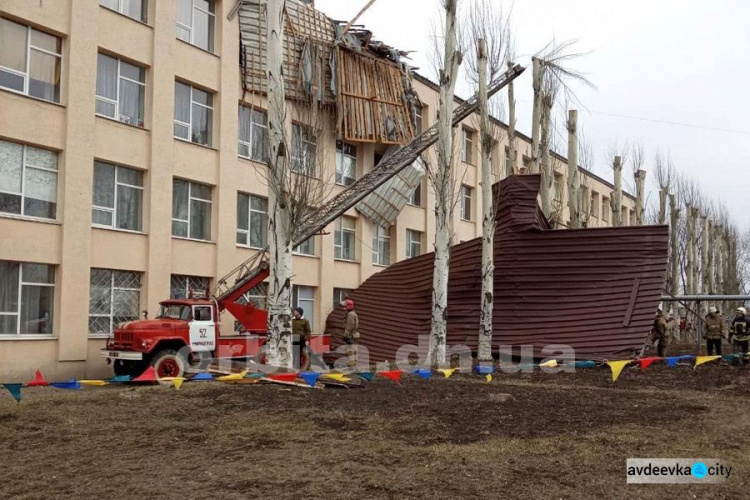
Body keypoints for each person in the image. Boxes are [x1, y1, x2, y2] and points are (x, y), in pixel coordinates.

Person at [342, 298, 360, 368]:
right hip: (354, 335)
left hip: (351, 335)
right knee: (354, 350)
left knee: (350, 351)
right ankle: (353, 365)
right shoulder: (352, 313)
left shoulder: (350, 315)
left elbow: (349, 326)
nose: (343, 307)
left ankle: (351, 366)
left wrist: (345, 335)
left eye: (345, 305)